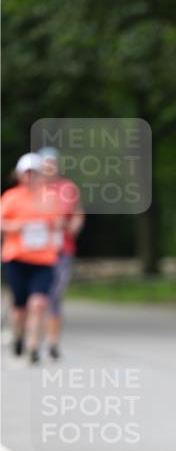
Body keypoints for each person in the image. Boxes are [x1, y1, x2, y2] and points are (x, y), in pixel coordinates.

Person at [1, 153, 63, 364]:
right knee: (19, 308)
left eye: (35, 174)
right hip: (16, 257)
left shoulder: (50, 198)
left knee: (38, 303)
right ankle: (18, 336)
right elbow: (2, 224)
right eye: (27, 174)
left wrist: (53, 234)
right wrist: (16, 227)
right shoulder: (10, 197)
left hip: (44, 259)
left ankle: (33, 346)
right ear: (19, 175)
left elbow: (58, 224)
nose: (31, 178)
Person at [39, 147, 85, 360]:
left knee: (55, 296)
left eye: (52, 164)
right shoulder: (32, 189)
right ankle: (32, 339)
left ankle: (52, 343)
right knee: (37, 297)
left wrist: (72, 227)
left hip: (61, 250)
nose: (49, 168)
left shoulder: (67, 188)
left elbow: (77, 213)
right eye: (45, 164)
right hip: (35, 251)